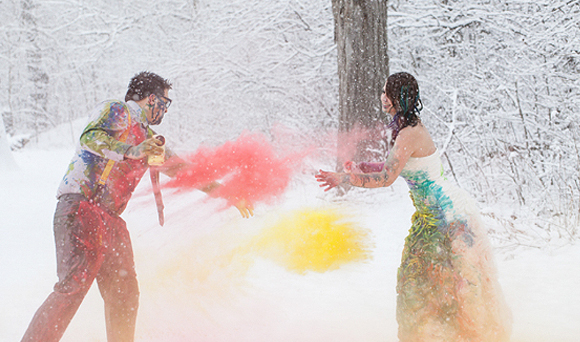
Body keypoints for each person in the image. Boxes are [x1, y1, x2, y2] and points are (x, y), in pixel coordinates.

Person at [21, 71, 253, 342]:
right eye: (165, 103)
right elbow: (90, 138)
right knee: (73, 287)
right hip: (80, 208)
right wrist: (133, 151)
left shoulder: (149, 139)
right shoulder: (117, 110)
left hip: (110, 221)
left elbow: (183, 171)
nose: (165, 110)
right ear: (151, 99)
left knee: (125, 293)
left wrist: (228, 194)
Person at [316, 72, 511, 341]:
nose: (382, 98)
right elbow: (393, 166)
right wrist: (359, 168)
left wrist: (346, 178)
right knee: (422, 284)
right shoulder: (407, 131)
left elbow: (386, 178)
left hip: (448, 218)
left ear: (400, 97)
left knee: (444, 285)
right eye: (383, 92)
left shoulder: (410, 134)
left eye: (387, 93)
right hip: (431, 218)